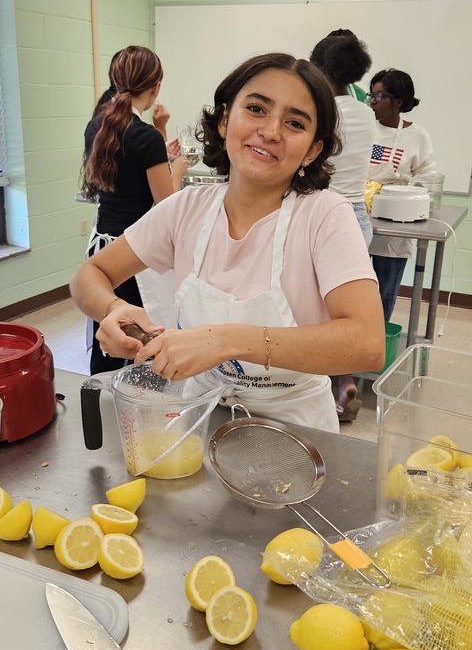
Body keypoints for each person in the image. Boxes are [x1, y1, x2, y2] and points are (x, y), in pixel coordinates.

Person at [70, 52, 385, 434]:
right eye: (255, 109)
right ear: (223, 120)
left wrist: (226, 341)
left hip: (294, 428)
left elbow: (367, 342)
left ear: (313, 150)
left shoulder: (324, 216)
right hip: (200, 416)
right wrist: (113, 307)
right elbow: (91, 274)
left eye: (295, 123)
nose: (271, 131)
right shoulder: (187, 207)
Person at [82, 45, 187, 374]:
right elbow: (165, 204)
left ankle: (98, 392)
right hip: (134, 253)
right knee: (143, 333)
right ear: (155, 88)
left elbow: (127, 174)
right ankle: (144, 397)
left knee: (109, 327)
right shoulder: (145, 137)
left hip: (101, 248)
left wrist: (160, 138)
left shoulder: (97, 125)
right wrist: (178, 170)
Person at [309, 28, 375, 422]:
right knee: (344, 313)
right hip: (358, 218)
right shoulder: (366, 112)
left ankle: (318, 387)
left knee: (312, 313)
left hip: (323, 215)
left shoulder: (321, 113)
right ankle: (343, 380)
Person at [366, 68, 436, 321]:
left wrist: (401, 185)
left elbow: (428, 178)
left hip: (395, 224)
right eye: (371, 95)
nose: (373, 101)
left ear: (398, 101)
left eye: (380, 95)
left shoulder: (418, 136)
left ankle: (379, 341)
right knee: (354, 287)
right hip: (360, 218)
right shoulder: (365, 128)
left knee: (384, 290)